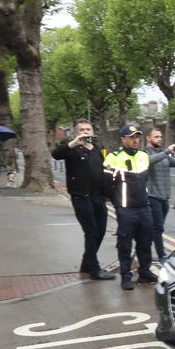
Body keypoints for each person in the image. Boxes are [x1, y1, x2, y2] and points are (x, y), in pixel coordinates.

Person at [104, 125, 175, 290]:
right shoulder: (113, 157)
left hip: (143, 206)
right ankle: (126, 275)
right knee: (125, 243)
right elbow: (105, 184)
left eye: (137, 137)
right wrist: (118, 203)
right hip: (125, 208)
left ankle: (144, 272)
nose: (135, 140)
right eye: (131, 137)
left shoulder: (142, 156)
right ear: (123, 139)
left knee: (145, 241)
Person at [51, 120, 114, 280]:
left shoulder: (100, 150)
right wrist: (73, 143)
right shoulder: (71, 149)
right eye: (81, 130)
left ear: (92, 132)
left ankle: (87, 263)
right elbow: (55, 154)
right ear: (76, 132)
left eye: (88, 129)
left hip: (98, 197)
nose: (85, 132)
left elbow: (107, 170)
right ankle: (94, 269)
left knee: (100, 232)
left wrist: (110, 193)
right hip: (81, 197)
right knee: (91, 232)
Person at [145, 128, 175, 263]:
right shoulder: (144, 153)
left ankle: (143, 250)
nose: (159, 139)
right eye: (156, 137)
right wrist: (167, 151)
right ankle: (161, 255)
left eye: (160, 137)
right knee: (158, 227)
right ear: (148, 138)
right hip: (152, 196)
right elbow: (150, 161)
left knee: (156, 228)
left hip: (165, 197)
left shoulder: (163, 154)